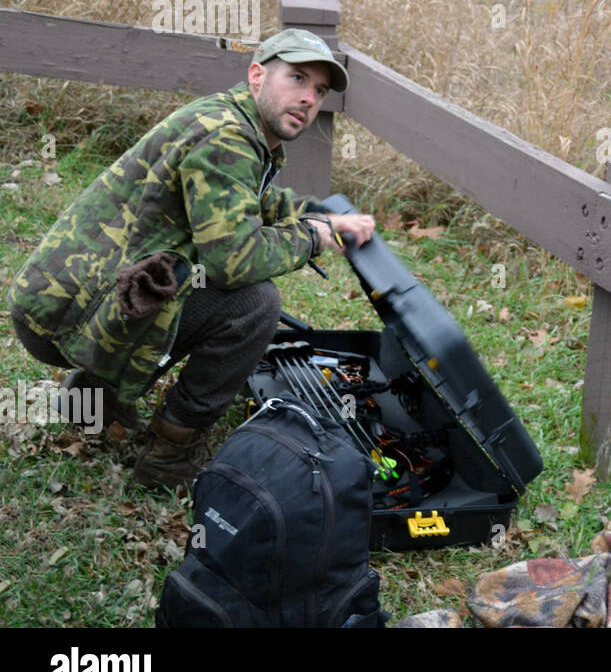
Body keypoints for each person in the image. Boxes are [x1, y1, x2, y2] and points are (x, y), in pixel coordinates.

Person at [8, 28, 376, 491]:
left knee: (197, 288)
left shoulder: (233, 121)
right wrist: (312, 238)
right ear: (258, 75)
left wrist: (318, 215)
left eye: (319, 90)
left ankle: (92, 398)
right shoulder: (227, 138)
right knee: (252, 304)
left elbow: (247, 203)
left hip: (64, 301)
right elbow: (233, 261)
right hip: (64, 317)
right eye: (297, 78)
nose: (307, 98)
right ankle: (170, 454)